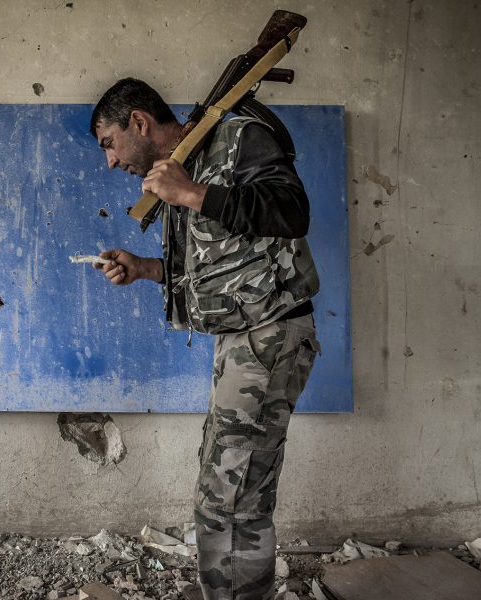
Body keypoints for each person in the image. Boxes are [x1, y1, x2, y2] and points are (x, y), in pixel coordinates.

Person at [89, 78, 321, 600]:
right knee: (228, 486)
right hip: (243, 343)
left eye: (109, 142)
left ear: (139, 122)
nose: (110, 161)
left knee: (230, 496)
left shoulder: (236, 138)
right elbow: (216, 264)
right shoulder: (180, 168)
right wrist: (145, 268)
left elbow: (291, 210)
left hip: (269, 337)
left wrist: (191, 193)